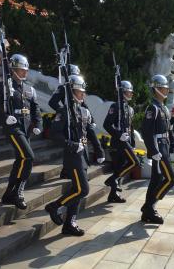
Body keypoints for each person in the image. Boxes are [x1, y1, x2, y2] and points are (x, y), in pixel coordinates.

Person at [45, 75, 105, 236]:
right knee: (83, 189)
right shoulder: (64, 112)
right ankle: (55, 206)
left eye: (84, 92)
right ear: (72, 92)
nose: (83, 95)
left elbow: (90, 132)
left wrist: (98, 150)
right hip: (72, 156)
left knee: (76, 191)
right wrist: (71, 144)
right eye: (80, 92)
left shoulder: (83, 111)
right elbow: (54, 134)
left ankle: (70, 223)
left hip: (83, 155)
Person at [0, 54, 42, 209]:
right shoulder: (6, 88)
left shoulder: (29, 89)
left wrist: (38, 124)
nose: (24, 72)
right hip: (13, 128)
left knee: (20, 161)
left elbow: (36, 110)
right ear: (13, 70)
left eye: (25, 70)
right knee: (29, 157)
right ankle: (19, 191)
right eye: (21, 70)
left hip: (26, 130)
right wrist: (5, 117)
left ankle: (8, 194)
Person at [140, 74, 174, 224]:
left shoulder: (163, 108)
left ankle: (147, 213)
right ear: (156, 89)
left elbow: (168, 130)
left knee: (156, 180)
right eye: (164, 88)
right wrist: (153, 150)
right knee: (171, 179)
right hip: (158, 149)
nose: (167, 90)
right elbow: (146, 131)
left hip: (165, 146)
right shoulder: (153, 108)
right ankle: (149, 207)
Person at [48, 64, 95, 179]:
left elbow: (83, 104)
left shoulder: (77, 88)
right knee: (69, 145)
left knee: (81, 144)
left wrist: (91, 119)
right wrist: (64, 112)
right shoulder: (63, 88)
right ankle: (70, 172)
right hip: (67, 120)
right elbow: (52, 102)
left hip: (78, 118)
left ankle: (78, 171)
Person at [103, 80, 140, 203]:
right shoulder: (115, 106)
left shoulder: (129, 108)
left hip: (127, 143)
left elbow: (131, 127)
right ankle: (112, 180)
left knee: (120, 168)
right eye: (129, 92)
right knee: (134, 163)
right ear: (123, 92)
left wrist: (133, 144)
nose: (131, 94)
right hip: (119, 143)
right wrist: (119, 135)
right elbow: (107, 124)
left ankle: (113, 194)